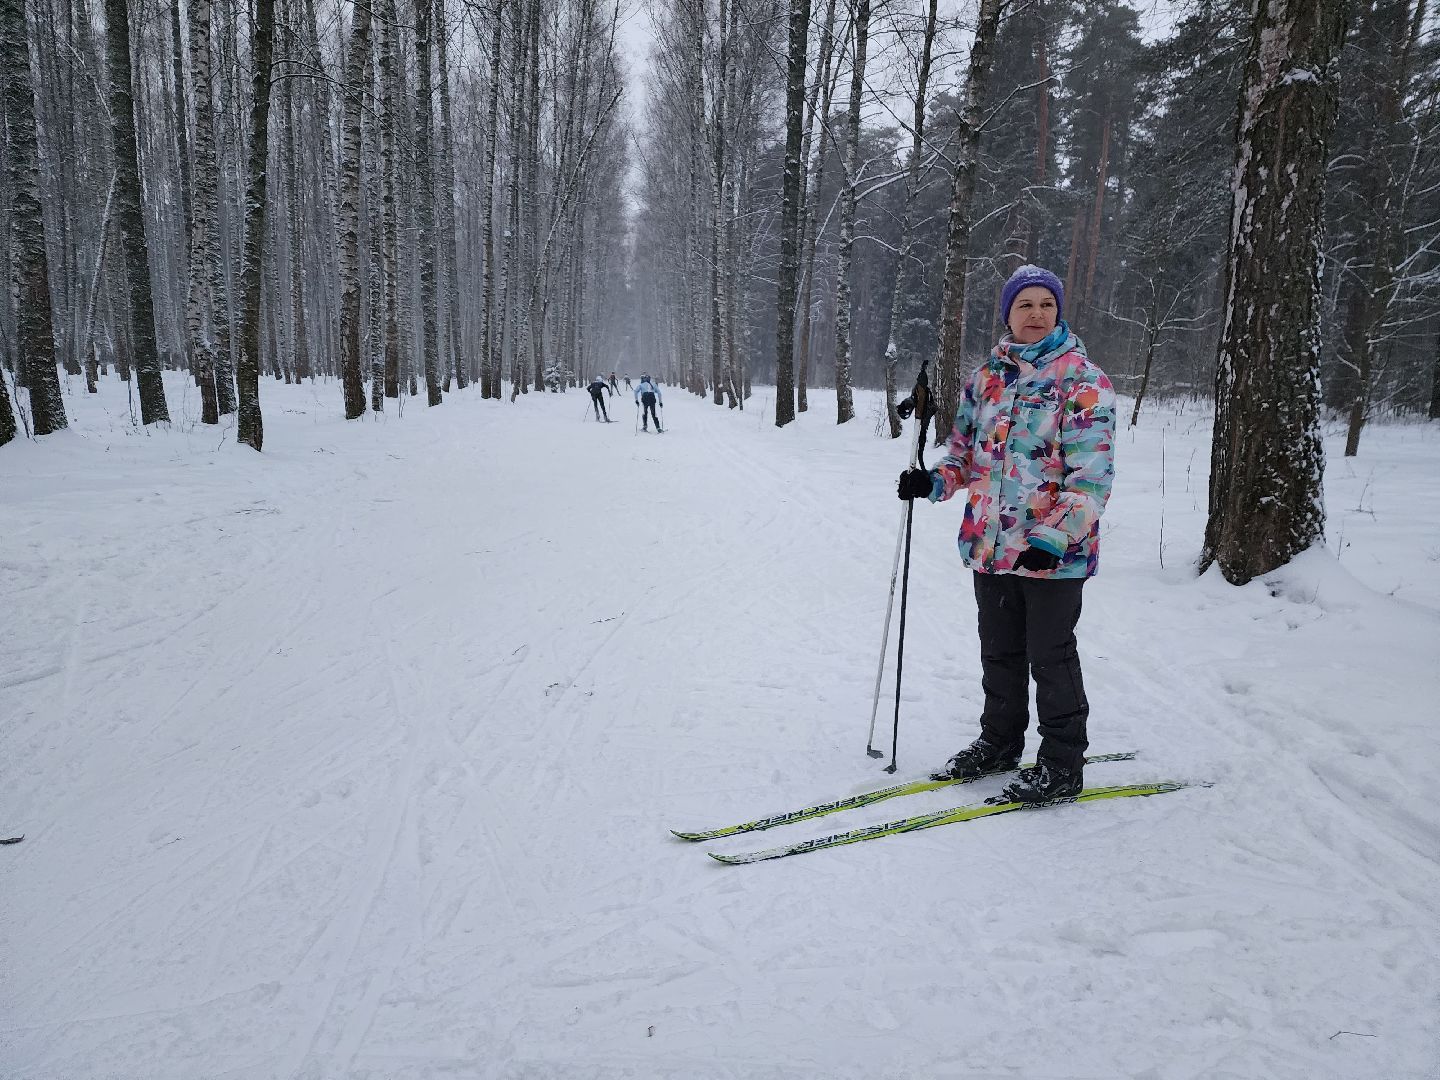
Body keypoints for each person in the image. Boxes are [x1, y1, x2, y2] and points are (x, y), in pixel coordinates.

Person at [896, 264, 1116, 803]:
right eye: (1025, 305)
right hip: (990, 547)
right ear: (1008, 314)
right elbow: (964, 456)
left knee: (1050, 656)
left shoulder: (1084, 381)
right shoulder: (985, 379)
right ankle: (999, 743)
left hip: (1051, 554)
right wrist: (932, 481)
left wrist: (1054, 537)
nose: (1036, 313)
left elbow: (1091, 475)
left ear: (1058, 311)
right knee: (999, 654)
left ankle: (1061, 765)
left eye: (1046, 304)